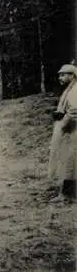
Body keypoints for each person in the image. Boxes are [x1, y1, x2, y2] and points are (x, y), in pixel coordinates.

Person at [48, 63, 77, 203]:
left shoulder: (74, 91)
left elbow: (74, 112)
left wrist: (63, 125)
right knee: (67, 161)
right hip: (68, 130)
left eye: (63, 74)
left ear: (72, 76)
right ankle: (66, 192)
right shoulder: (69, 90)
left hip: (71, 131)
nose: (60, 77)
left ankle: (67, 195)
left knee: (69, 161)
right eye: (60, 74)